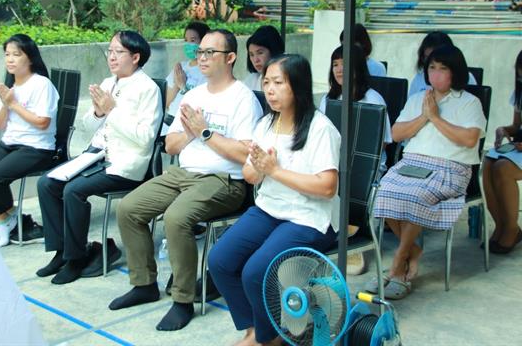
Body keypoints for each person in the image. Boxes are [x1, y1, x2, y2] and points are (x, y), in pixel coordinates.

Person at [109, 29, 263, 331]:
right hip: (183, 172)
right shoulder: (192, 95)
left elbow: (245, 153)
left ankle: (183, 300)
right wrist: (191, 132)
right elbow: (170, 145)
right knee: (129, 208)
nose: (201, 58)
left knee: (176, 218)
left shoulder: (243, 99)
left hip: (224, 180)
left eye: (209, 53)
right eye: (199, 52)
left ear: (230, 58)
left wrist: (205, 132)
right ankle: (144, 284)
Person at [208, 54, 340, 346]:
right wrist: (258, 167)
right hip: (269, 209)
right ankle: (256, 329)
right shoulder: (266, 124)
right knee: (220, 260)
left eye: (278, 83)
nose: (269, 89)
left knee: (256, 271)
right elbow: (250, 175)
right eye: (266, 82)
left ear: (298, 86)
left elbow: (328, 187)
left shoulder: (321, 129)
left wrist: (276, 171)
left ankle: (270, 339)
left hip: (308, 217)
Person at [35, 31, 162, 284]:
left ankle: (77, 257)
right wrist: (97, 111)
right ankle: (62, 251)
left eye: (118, 52)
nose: (112, 57)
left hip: (125, 163)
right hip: (96, 155)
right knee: (46, 183)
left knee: (74, 191)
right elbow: (87, 127)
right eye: (110, 51)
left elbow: (146, 137)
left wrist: (112, 111)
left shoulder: (148, 89)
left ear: (135, 57)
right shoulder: (108, 82)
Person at [371, 45, 486, 300]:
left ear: (455, 72)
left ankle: (398, 263)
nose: (435, 74)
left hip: (449, 168)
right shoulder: (417, 100)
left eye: (442, 69)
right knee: (382, 193)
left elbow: (469, 139)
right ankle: (413, 251)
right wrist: (424, 116)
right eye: (431, 68)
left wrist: (435, 118)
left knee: (416, 196)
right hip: (411, 163)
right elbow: (396, 134)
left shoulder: (469, 102)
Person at [0, 34, 59, 247]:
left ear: (31, 58)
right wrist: (6, 104)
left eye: (16, 55)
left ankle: (11, 223)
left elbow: (43, 123)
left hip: (37, 146)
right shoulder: (8, 87)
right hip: (10, 143)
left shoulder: (41, 84)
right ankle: (8, 220)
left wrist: (13, 104)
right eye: (7, 54)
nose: (10, 59)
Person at [319, 45, 392, 276]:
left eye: (345, 64)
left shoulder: (373, 99)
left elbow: (383, 141)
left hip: (364, 167)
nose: (339, 69)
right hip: (335, 161)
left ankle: (352, 241)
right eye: (335, 64)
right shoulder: (328, 100)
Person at [482, 50, 522, 254]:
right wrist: (504, 131)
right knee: (488, 162)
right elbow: (517, 126)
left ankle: (512, 228)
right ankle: (501, 224)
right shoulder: (520, 92)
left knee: (503, 168)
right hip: (519, 147)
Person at [161, 21, 209, 135]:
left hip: (188, 122)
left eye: (193, 40)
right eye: (186, 41)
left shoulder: (207, 70)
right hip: (170, 118)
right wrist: (177, 86)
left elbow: (200, 105)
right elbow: (167, 102)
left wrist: (183, 87)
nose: (188, 44)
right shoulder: (180, 67)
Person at [408, 31, 476, 97]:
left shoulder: (467, 78)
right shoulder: (419, 78)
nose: (430, 63)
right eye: (427, 58)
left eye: (442, 67)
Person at [243, 25, 284, 91]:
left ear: (273, 51)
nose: (256, 60)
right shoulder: (251, 80)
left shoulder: (288, 76)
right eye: (251, 55)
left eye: (260, 53)